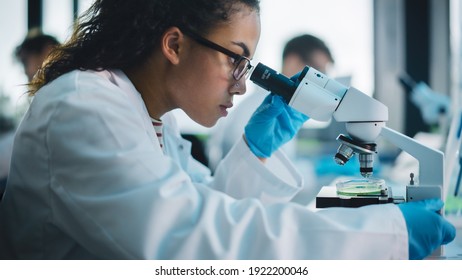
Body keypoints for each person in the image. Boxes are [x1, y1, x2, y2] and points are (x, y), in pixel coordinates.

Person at [0, 0, 455, 260]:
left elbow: (209, 206)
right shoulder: (84, 106)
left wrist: (254, 152)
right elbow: (195, 242)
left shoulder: (153, 121)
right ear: (175, 44)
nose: (242, 83)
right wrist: (382, 235)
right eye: (236, 59)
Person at [207, 34, 335, 171]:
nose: (322, 83)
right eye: (319, 72)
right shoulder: (263, 107)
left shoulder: (286, 108)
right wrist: (315, 170)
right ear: (292, 61)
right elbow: (255, 176)